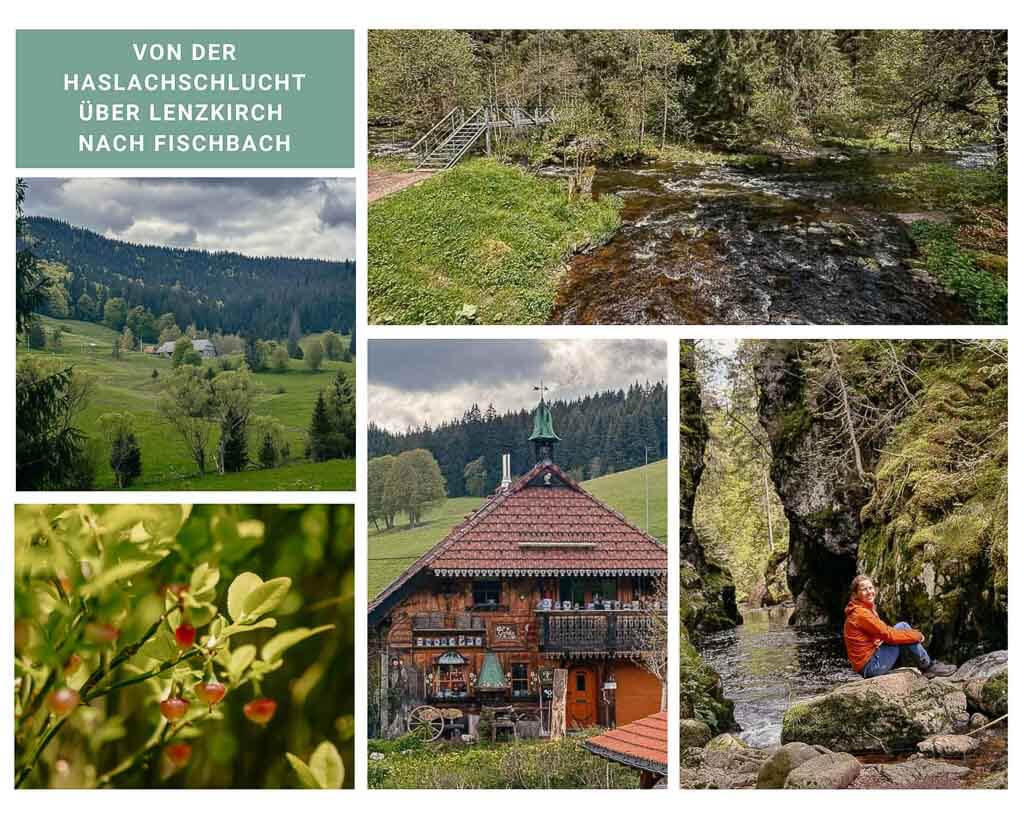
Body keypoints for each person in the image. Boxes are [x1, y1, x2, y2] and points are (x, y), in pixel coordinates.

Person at [843, 574, 955, 679]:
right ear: (855, 594)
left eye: (870, 588)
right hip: (871, 667)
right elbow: (888, 634)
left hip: (869, 664)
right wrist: (917, 635)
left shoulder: (862, 609)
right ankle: (928, 666)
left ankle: (926, 665)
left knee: (902, 630)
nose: (869, 592)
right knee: (902, 627)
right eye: (864, 589)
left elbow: (880, 635)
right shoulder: (861, 614)